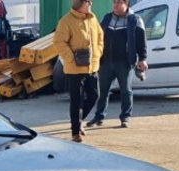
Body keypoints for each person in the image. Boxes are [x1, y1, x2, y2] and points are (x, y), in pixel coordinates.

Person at [86, 0, 148, 129]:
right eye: (114, 2)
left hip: (124, 63)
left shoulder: (135, 19)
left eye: (119, 2)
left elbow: (141, 41)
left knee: (126, 91)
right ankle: (99, 116)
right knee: (103, 92)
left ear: (126, 4)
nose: (116, 5)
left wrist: (142, 58)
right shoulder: (107, 18)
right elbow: (99, 36)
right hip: (106, 62)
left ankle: (125, 117)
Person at [54, 0, 104, 143]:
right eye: (89, 2)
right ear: (82, 4)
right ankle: (75, 132)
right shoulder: (66, 21)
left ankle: (80, 121)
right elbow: (58, 42)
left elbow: (100, 37)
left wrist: (98, 53)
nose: (91, 4)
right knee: (77, 100)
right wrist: (71, 58)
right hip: (74, 69)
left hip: (92, 67)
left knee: (94, 95)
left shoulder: (93, 18)